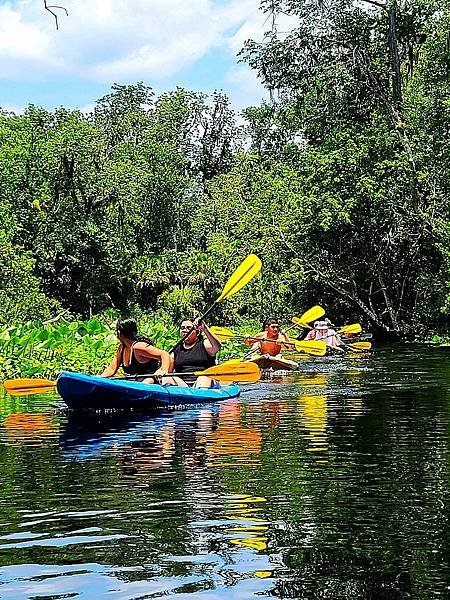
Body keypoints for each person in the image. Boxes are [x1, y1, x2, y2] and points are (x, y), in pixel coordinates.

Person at [101, 318, 174, 383]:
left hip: (148, 381)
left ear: (119, 333)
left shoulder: (138, 347)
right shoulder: (121, 348)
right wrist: (100, 378)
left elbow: (164, 354)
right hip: (132, 382)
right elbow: (111, 369)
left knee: (147, 381)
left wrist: (163, 371)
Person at [169, 318, 222, 388]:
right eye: (182, 328)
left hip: (205, 382)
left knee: (202, 378)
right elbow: (168, 370)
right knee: (167, 378)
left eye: (189, 328)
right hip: (183, 386)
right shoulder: (175, 350)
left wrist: (204, 328)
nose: (185, 330)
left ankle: (200, 396)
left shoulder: (205, 344)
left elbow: (217, 346)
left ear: (198, 332)